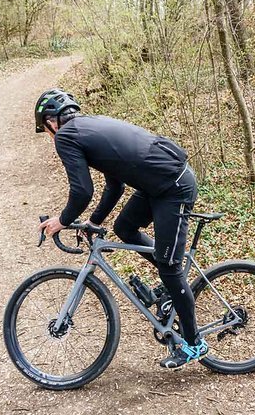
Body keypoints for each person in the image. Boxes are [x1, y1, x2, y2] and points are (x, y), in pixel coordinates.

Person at [34, 89, 208, 369]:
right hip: (159, 182)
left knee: (169, 266)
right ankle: (170, 286)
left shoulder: (67, 136)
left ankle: (193, 344)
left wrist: (62, 220)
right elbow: (115, 185)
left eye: (45, 129)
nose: (49, 135)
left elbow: (82, 191)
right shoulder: (88, 128)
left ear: (52, 121)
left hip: (172, 187)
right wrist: (94, 222)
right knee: (125, 227)